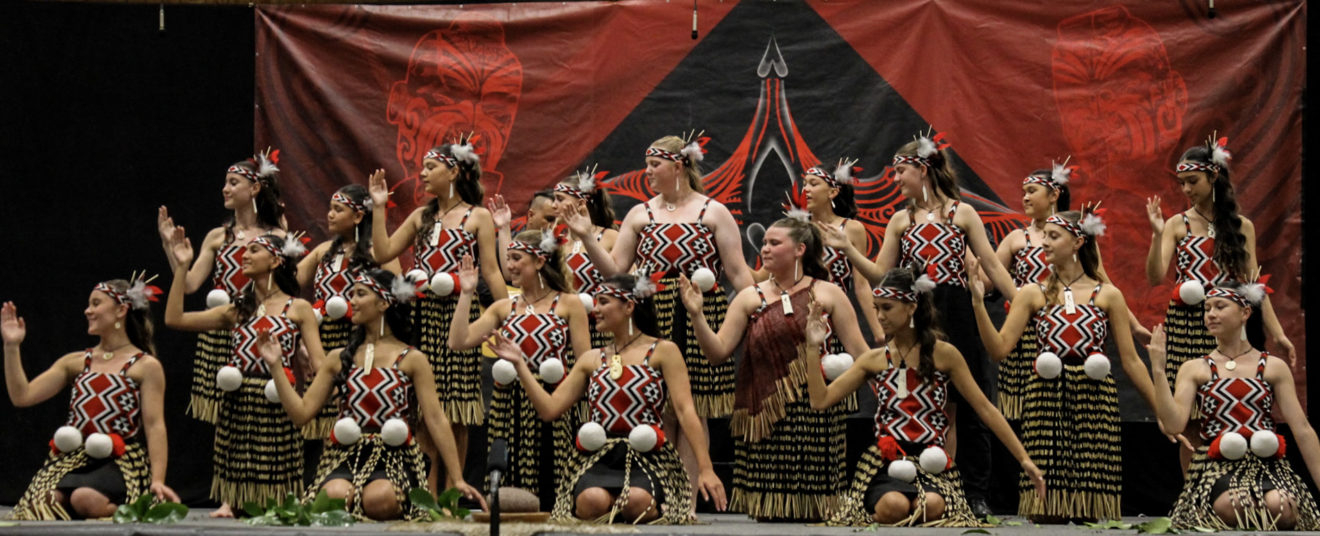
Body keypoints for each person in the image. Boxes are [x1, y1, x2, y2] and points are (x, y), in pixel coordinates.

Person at [820, 133, 1017, 515]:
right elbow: (881, 274)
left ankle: (974, 493)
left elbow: (992, 265)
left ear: (923, 170)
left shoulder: (962, 213)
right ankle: (933, 483)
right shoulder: (900, 220)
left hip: (958, 309)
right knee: (933, 402)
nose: (895, 179)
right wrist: (849, 252)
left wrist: (1025, 304)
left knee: (971, 403)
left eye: (901, 172)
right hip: (920, 313)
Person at [562, 134, 754, 504]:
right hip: (654, 314)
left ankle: (689, 496)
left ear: (677, 166)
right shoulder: (640, 213)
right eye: (647, 165)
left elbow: (739, 275)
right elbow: (617, 271)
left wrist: (758, 308)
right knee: (659, 405)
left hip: (700, 312)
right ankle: (662, 492)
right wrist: (587, 238)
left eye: (654, 165)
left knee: (692, 404)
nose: (647, 172)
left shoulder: (712, 212)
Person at [806, 268, 1044, 526]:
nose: (879, 316)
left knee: (929, 506)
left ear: (911, 307)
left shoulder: (944, 354)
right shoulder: (874, 360)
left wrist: (1024, 460)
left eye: (887, 308)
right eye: (876, 308)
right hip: (887, 461)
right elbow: (820, 400)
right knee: (893, 506)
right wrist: (812, 347)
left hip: (932, 460)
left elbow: (985, 409)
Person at [969, 209, 1160, 522]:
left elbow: (1131, 362)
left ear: (1077, 243)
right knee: (1048, 514)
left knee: (1090, 513)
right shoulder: (1032, 294)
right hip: (1046, 402)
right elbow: (999, 350)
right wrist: (978, 305)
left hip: (1094, 402)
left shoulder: (1108, 295)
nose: (1044, 243)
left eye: (1053, 236)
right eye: (1044, 236)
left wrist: (1162, 413)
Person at [489, 274, 726, 524]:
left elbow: (686, 411)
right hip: (599, 455)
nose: (596, 310)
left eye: (603, 302)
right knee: (592, 502)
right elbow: (549, 409)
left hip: (646, 457)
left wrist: (706, 468)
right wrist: (520, 365)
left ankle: (657, 505)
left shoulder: (663, 351)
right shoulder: (592, 359)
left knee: (635, 502)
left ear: (629, 306)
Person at [681, 217, 868, 521]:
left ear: (800, 250)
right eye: (764, 242)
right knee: (770, 518)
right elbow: (717, 352)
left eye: (774, 243)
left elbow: (863, 356)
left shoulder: (828, 294)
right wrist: (697, 315)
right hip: (762, 416)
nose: (764, 249)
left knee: (815, 515)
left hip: (815, 415)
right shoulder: (749, 297)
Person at [262, 269, 483, 520]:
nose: (351, 302)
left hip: (395, 457)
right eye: (351, 295)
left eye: (360, 294)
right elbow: (301, 415)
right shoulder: (338, 358)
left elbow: (435, 420)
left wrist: (457, 477)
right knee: (334, 497)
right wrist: (276, 366)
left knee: (379, 499)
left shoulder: (412, 359)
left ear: (383, 303)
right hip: (347, 455)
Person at [368, 139, 508, 487]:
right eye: (423, 168)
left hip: (459, 318)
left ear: (454, 171)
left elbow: (490, 272)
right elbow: (382, 251)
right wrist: (379, 207)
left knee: (457, 410)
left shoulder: (478, 217)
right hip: (422, 319)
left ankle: (451, 491)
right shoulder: (421, 216)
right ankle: (426, 491)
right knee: (422, 409)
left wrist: (509, 315)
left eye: (431, 168)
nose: (423, 174)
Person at [164, 230, 324, 518]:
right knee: (237, 491)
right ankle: (231, 502)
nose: (244, 256)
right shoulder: (238, 310)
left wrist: (311, 400)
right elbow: (174, 319)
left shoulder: (298, 308)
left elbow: (321, 365)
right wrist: (182, 268)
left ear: (275, 261)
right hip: (237, 404)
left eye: (253, 251)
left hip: (277, 401)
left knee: (275, 501)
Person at [1147, 280, 1319, 530]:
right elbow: (1174, 424)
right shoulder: (1195, 368)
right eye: (1207, 309)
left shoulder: (1272, 366)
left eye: (1220, 307)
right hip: (1217, 466)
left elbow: (1302, 429)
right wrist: (1159, 371)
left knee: (1283, 506)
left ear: (1245, 313)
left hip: (1265, 463)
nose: (1211, 315)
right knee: (1232, 504)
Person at [5, 278, 180, 520]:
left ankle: (130, 510)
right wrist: (11, 346)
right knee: (44, 502)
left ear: (121, 310)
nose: (88, 310)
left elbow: (154, 426)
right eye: (89, 304)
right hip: (74, 458)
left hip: (120, 460)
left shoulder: (145, 366)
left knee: (85, 499)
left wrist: (158, 480)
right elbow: (22, 396)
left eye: (96, 303)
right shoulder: (75, 362)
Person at [448, 231, 591, 509]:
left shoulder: (569, 304)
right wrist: (466, 294)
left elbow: (585, 363)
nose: (509, 265)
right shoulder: (504, 307)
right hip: (508, 404)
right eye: (508, 258)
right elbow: (458, 341)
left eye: (516, 258)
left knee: (550, 484)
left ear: (539, 262)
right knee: (511, 483)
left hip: (553, 400)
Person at [156, 150, 286, 423]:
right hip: (219, 330)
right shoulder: (218, 236)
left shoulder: (276, 237)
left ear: (254, 188)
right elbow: (190, 283)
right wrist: (170, 248)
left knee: (260, 407)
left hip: (259, 330)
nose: (225, 189)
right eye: (225, 183)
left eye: (233, 183)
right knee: (225, 411)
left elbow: (287, 288)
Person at [296, 184, 397, 438]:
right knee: (323, 419)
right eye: (330, 209)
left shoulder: (377, 252)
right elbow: (287, 284)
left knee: (353, 416)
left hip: (360, 341)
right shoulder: (323, 251)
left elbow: (398, 294)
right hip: (320, 343)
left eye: (337, 209)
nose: (329, 214)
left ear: (358, 216)